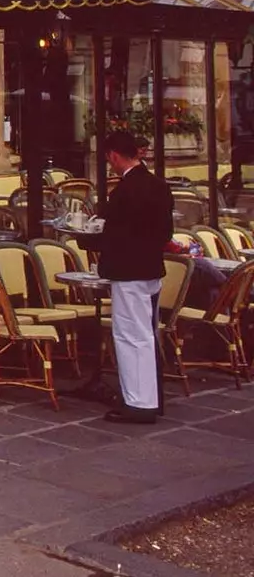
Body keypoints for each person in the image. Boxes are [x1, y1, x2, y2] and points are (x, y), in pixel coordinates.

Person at [77, 131, 173, 424]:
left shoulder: (124, 191)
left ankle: (138, 403)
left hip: (128, 272)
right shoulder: (158, 186)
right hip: (151, 270)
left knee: (130, 336)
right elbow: (165, 234)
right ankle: (152, 398)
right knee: (147, 334)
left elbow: (113, 234)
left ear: (114, 156)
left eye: (109, 158)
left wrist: (85, 240)